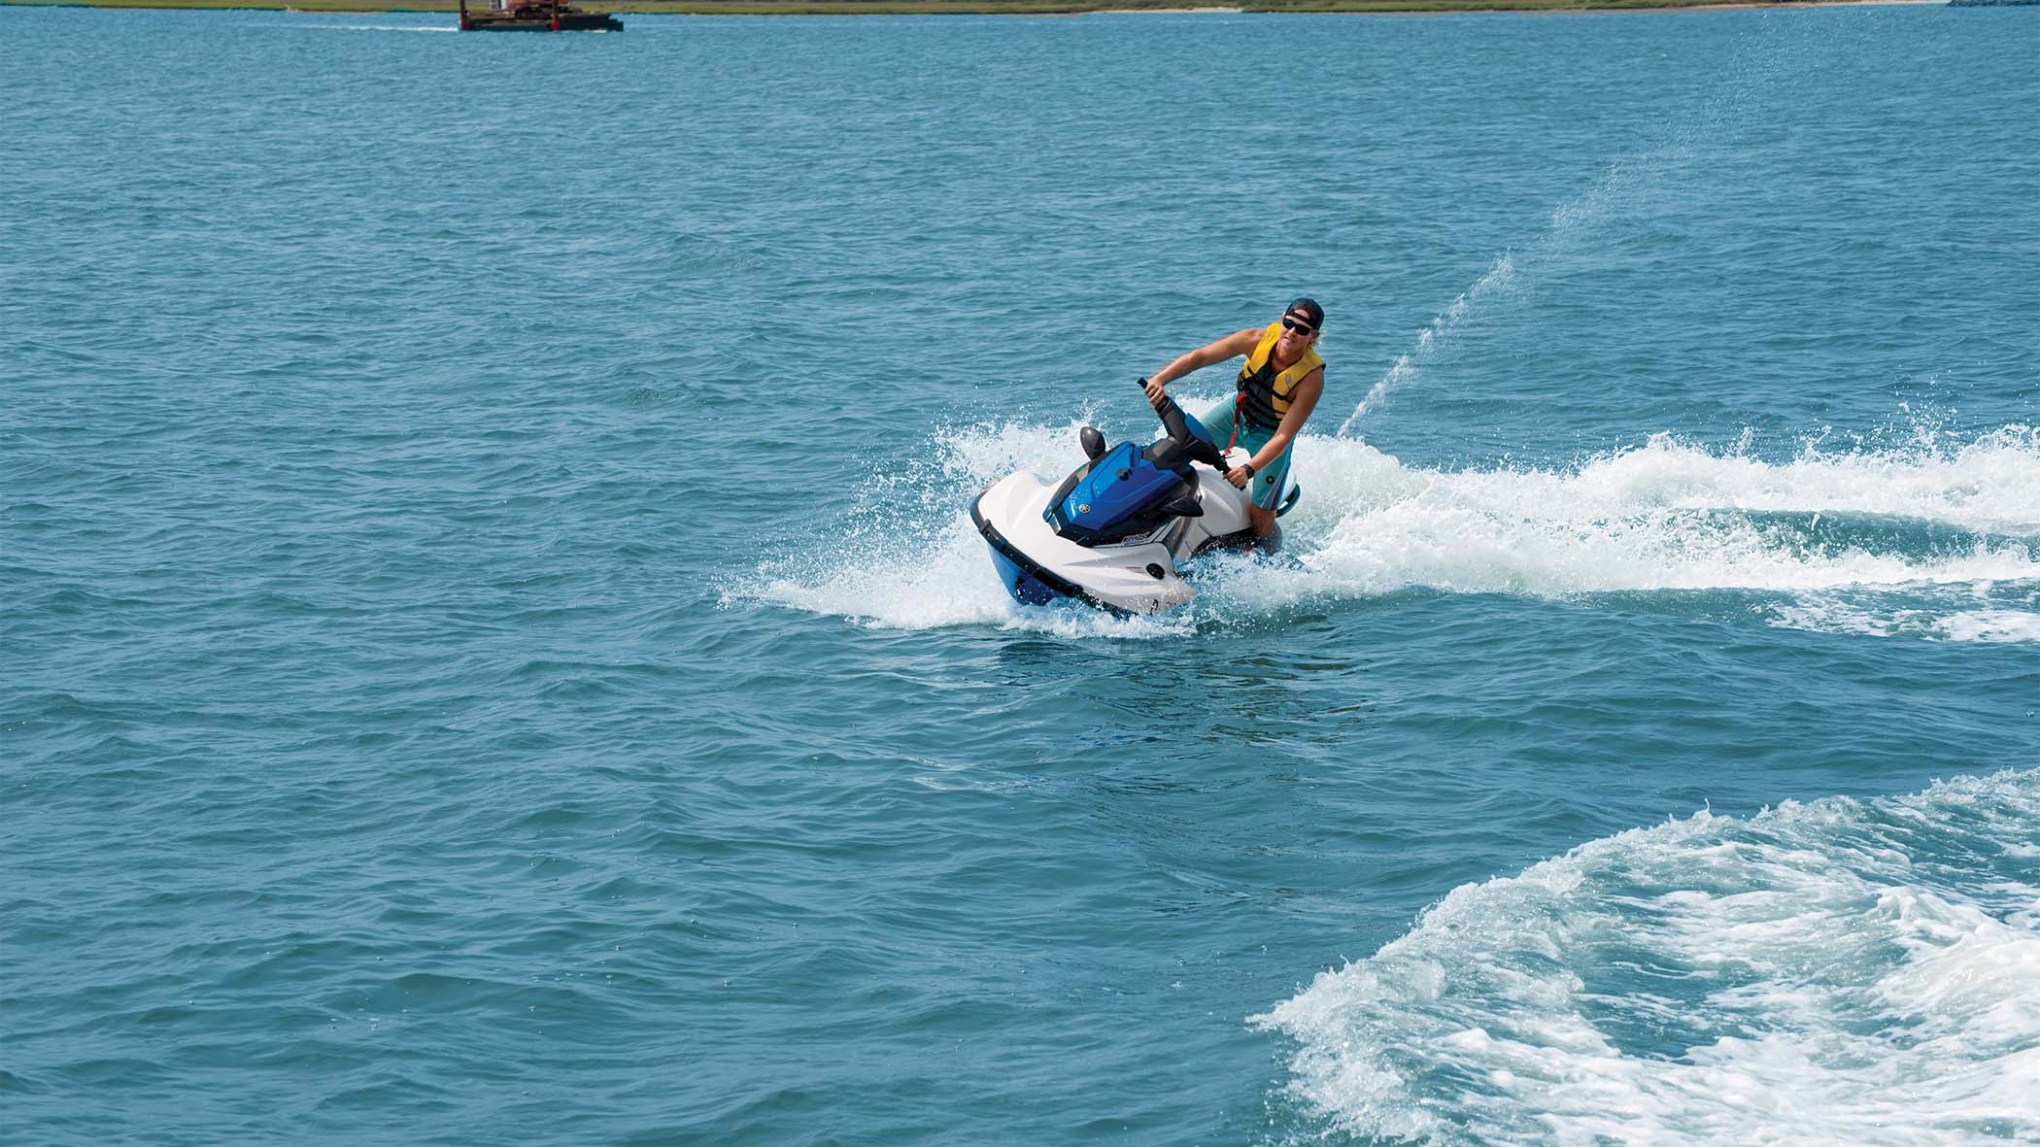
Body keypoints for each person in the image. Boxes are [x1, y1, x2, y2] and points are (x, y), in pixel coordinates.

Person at [1142, 298, 1326, 540]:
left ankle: (1267, 555)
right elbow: (1200, 357)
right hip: (1235, 415)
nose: (1291, 332)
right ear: (1282, 318)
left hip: (1271, 436)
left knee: (1260, 512)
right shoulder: (1254, 339)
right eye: (1288, 323)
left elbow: (1284, 436)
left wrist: (1248, 470)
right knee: (1179, 449)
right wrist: (1160, 379)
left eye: (1301, 330)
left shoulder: (1311, 379)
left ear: (1312, 337)